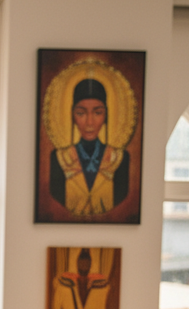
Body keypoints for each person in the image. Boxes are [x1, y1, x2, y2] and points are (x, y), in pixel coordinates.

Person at [49, 76, 131, 216]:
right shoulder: (59, 159)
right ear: (72, 116)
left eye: (97, 113)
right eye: (81, 113)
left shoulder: (119, 159)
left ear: (106, 116)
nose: (89, 122)